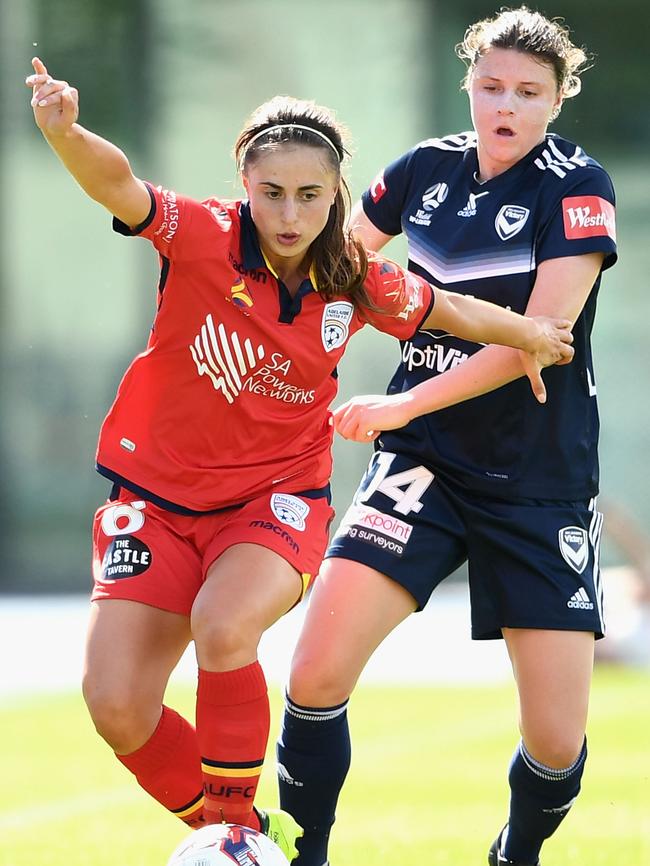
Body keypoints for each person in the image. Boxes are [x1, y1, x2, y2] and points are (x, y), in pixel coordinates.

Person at [26, 52, 571, 863]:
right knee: (116, 706)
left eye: (310, 196)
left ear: (334, 196)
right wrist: (66, 135)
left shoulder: (354, 277)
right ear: (245, 185)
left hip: (271, 502)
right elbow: (119, 187)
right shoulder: (201, 235)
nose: (289, 213)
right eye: (272, 193)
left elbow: (447, 308)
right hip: (154, 495)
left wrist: (530, 331)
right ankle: (248, 837)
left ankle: (236, 831)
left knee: (224, 623)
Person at [277, 7, 616, 866]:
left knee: (555, 743)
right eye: (491, 86)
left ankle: (517, 854)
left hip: (538, 477)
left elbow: (538, 340)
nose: (506, 106)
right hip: (422, 462)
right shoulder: (423, 171)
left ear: (557, 100)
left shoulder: (578, 187)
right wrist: (281, 358)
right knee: (315, 673)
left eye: (528, 93)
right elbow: (335, 271)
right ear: (469, 83)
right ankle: (300, 854)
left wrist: (397, 406)